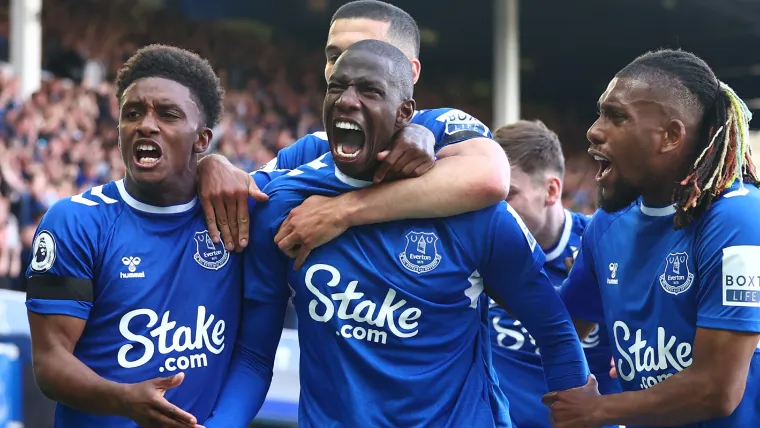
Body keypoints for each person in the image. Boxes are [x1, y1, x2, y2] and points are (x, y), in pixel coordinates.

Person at [203, 39, 594, 428]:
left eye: (370, 91)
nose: (346, 100)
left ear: (406, 113)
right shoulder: (283, 205)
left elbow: (555, 332)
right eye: (336, 87)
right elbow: (254, 356)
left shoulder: (475, 215)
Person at [24, 44, 253, 428]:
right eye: (132, 113)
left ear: (202, 139)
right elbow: (50, 362)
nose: (146, 124)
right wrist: (124, 400)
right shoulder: (75, 222)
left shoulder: (235, 215)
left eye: (168, 114)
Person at [197, 0, 510, 266]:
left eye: (366, 50)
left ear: (411, 72)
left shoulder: (441, 127)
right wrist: (211, 165)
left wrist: (341, 211)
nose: (343, 66)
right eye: (333, 56)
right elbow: (247, 193)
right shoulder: (312, 148)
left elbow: (490, 178)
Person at [547, 49, 760, 428]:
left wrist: (596, 410)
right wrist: (494, 245)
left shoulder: (740, 219)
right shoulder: (607, 225)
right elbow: (562, 324)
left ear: (671, 136)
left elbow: (717, 390)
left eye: (616, 116)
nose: (593, 130)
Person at [490, 121, 621, 428]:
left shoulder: (605, 247)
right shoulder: (479, 252)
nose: (493, 210)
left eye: (507, 195)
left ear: (551, 191)